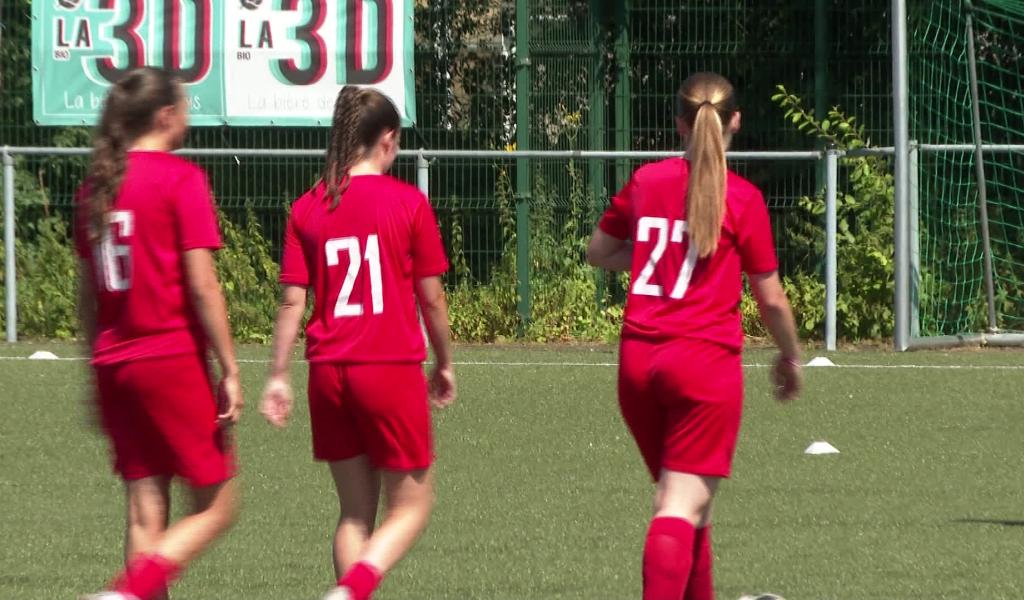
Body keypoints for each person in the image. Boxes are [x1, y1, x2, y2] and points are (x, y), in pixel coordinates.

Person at [586, 72, 803, 600]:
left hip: (639, 365)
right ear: (735, 122)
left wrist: (647, 258)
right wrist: (791, 357)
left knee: (689, 505)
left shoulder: (647, 181)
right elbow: (771, 299)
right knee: (678, 507)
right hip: (703, 367)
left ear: (679, 123)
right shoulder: (744, 198)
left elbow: (598, 251)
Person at [260, 86, 456, 600]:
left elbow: (290, 303)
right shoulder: (408, 202)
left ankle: (349, 589)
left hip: (328, 373)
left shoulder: (307, 206)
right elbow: (432, 300)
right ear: (387, 139)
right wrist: (445, 362)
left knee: (353, 514)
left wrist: (278, 375)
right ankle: (351, 590)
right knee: (411, 507)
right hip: (388, 368)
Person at [75, 68, 242, 600]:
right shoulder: (179, 179)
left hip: (113, 364)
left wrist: (91, 368)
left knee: (145, 513)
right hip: (169, 359)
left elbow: (87, 297)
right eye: (186, 106)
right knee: (218, 505)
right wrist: (231, 367)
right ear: (165, 116)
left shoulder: (96, 186)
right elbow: (203, 285)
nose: (189, 115)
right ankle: (125, 592)